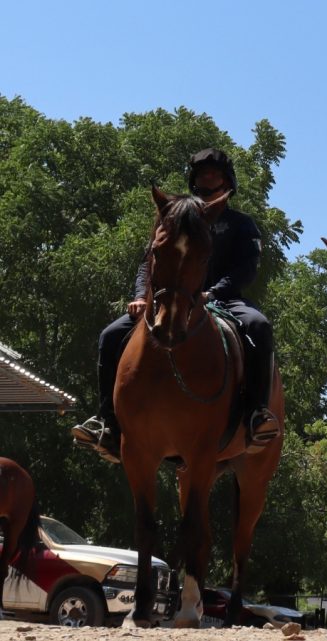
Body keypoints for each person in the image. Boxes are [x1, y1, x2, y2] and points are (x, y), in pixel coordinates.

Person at [72, 148, 280, 463]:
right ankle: (107, 422)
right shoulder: (175, 218)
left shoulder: (241, 224)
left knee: (259, 326)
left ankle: (255, 413)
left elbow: (246, 269)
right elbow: (149, 263)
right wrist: (142, 295)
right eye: (202, 174)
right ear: (193, 180)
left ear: (227, 180)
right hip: (168, 299)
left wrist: (214, 293)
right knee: (110, 335)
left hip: (223, 299)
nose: (207, 178)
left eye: (214, 174)